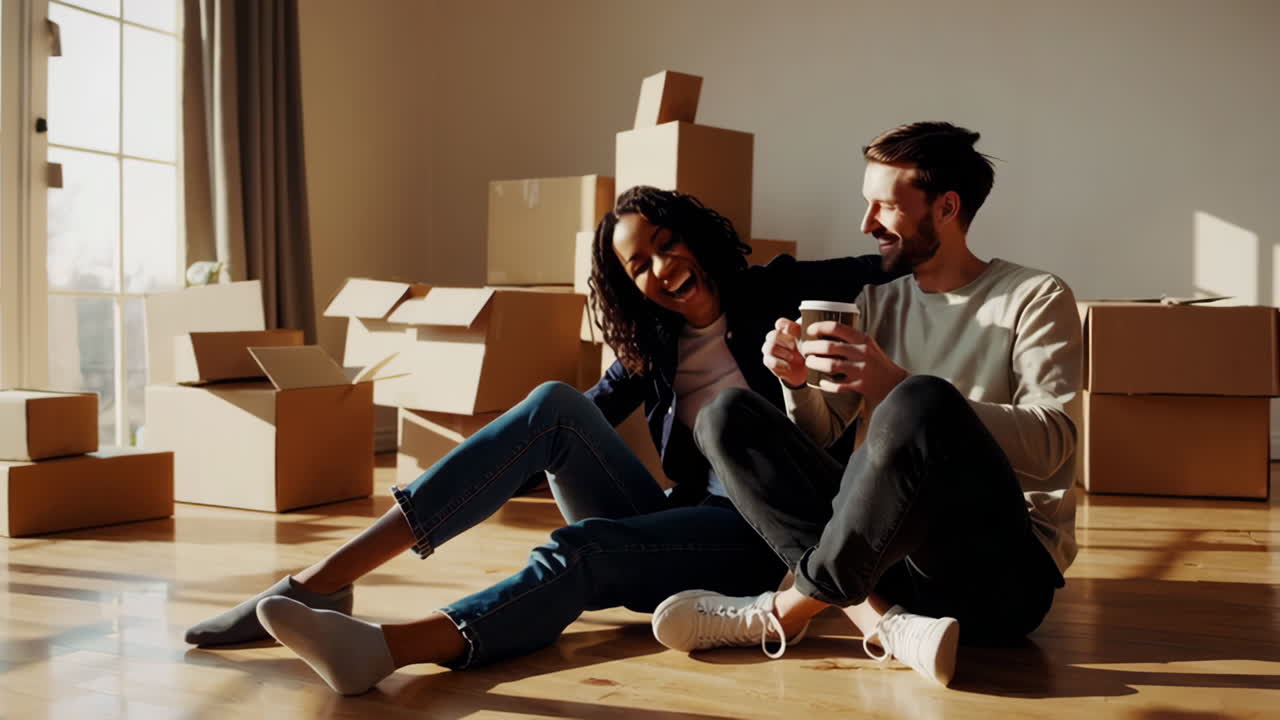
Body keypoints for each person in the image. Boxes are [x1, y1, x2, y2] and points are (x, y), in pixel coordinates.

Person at [185, 185, 899, 695]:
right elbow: (560, 426)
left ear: (692, 233)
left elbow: (897, 265)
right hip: (682, 515)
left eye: (664, 242)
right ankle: (319, 584)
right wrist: (493, 467)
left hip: (757, 540)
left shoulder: (780, 291)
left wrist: (913, 226)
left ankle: (383, 650)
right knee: (552, 405)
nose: (660, 267)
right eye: (637, 266)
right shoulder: (652, 344)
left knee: (582, 549)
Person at [650, 122, 1082, 689]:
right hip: (886, 562)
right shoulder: (876, 303)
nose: (866, 224)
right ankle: (885, 621)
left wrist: (898, 384)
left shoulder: (1036, 297)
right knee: (726, 415)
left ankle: (782, 612)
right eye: (866, 204)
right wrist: (798, 383)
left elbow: (1054, 448)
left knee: (921, 398)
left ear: (947, 207)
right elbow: (824, 435)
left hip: (999, 577)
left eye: (884, 206)